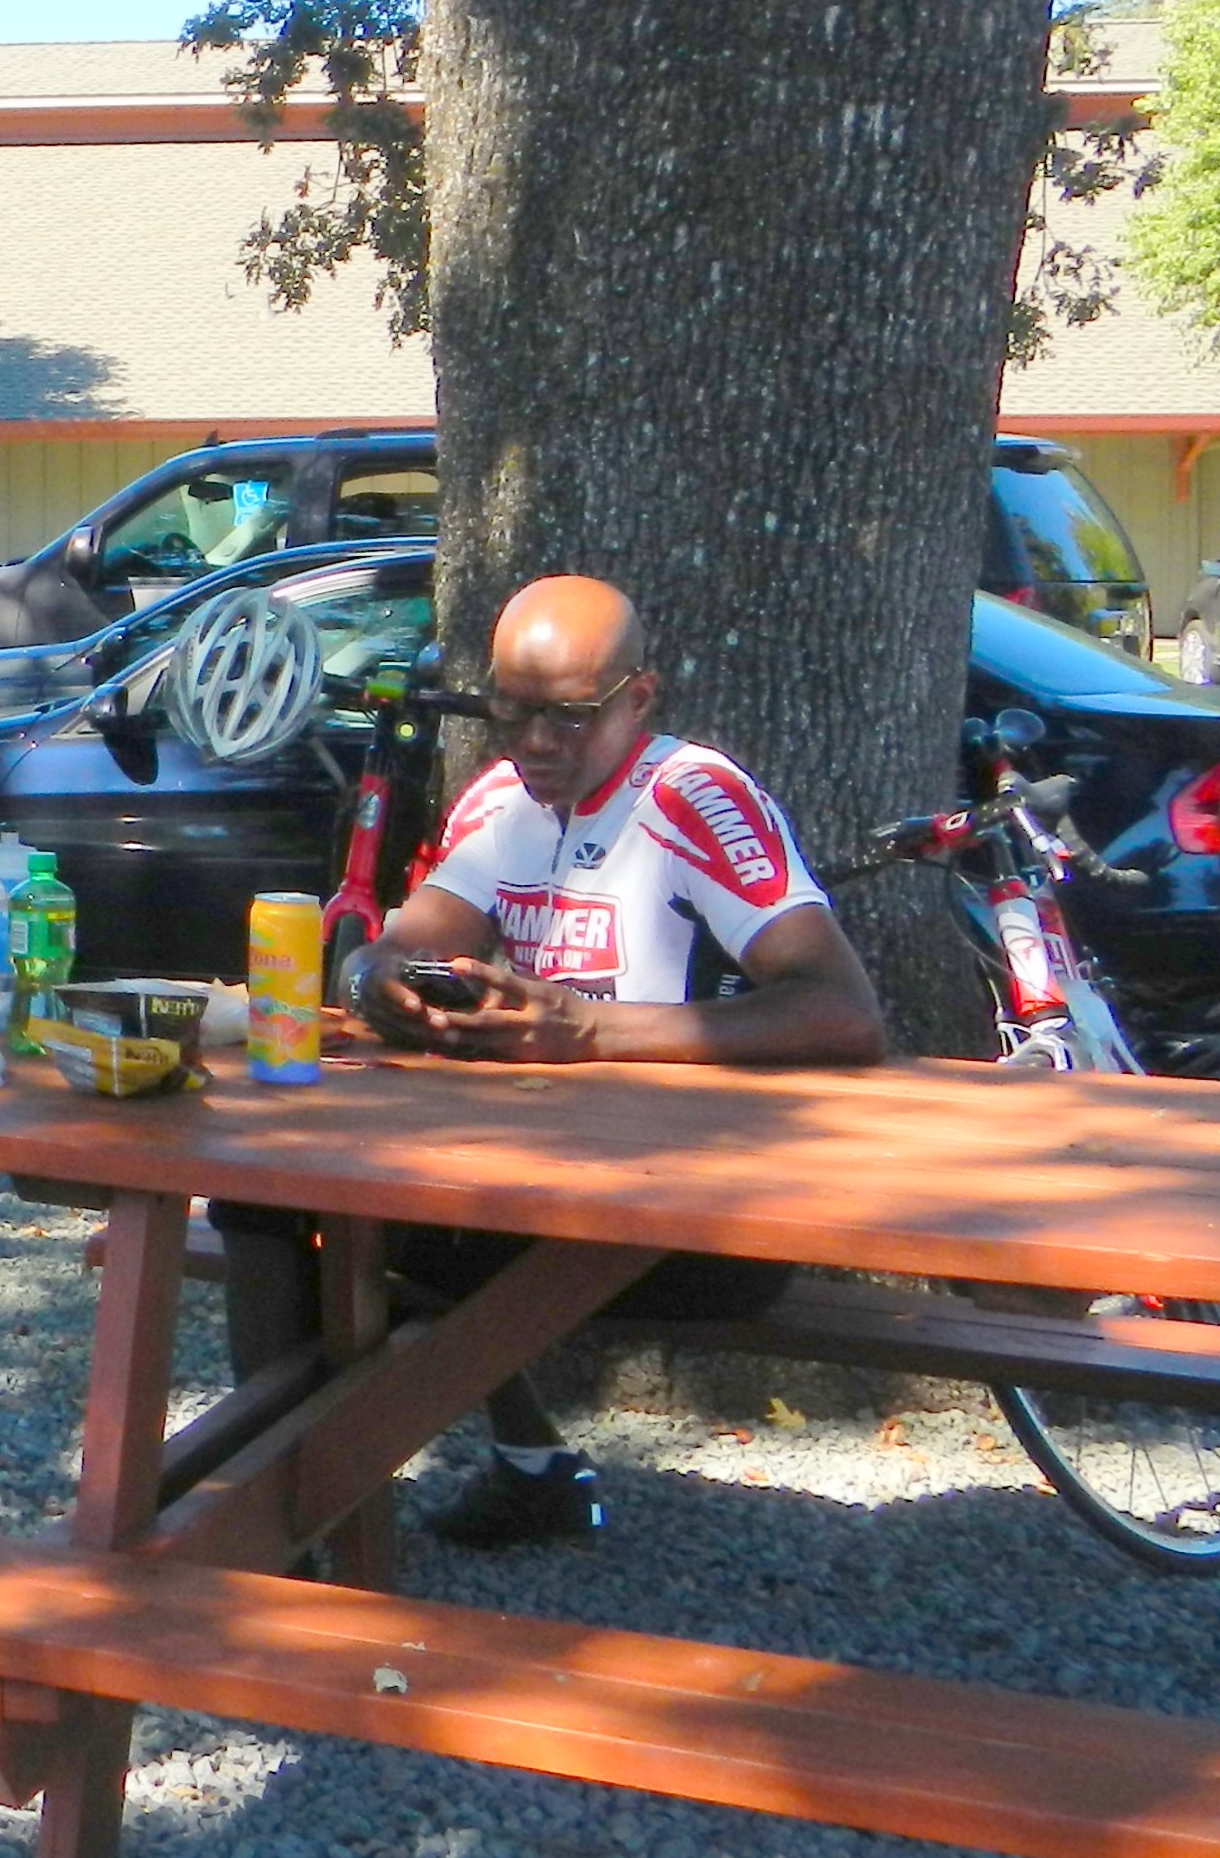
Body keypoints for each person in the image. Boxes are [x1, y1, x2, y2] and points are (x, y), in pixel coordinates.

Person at [224, 572, 888, 1549]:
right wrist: (380, 986)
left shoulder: (696, 797)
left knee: (330, 1221)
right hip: (540, 1181)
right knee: (262, 1196)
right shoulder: (503, 799)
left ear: (639, 698)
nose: (536, 741)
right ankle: (306, 1504)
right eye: (511, 710)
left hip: (700, 1217)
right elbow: (389, 952)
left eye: (570, 716)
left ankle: (273, 1517)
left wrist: (590, 1032)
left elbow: (844, 1011)